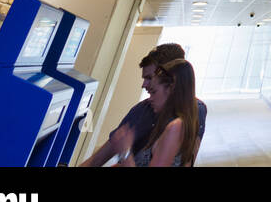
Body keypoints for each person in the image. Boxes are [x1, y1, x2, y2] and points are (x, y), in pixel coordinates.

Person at [79, 43, 207, 166]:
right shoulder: (142, 110)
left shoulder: (186, 118)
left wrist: (125, 153)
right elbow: (99, 157)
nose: (144, 85)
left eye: (150, 78)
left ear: (171, 82)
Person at [113, 60, 198, 167]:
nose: (150, 99)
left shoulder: (176, 127)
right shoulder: (169, 123)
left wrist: (125, 153)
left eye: (154, 92)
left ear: (171, 89)